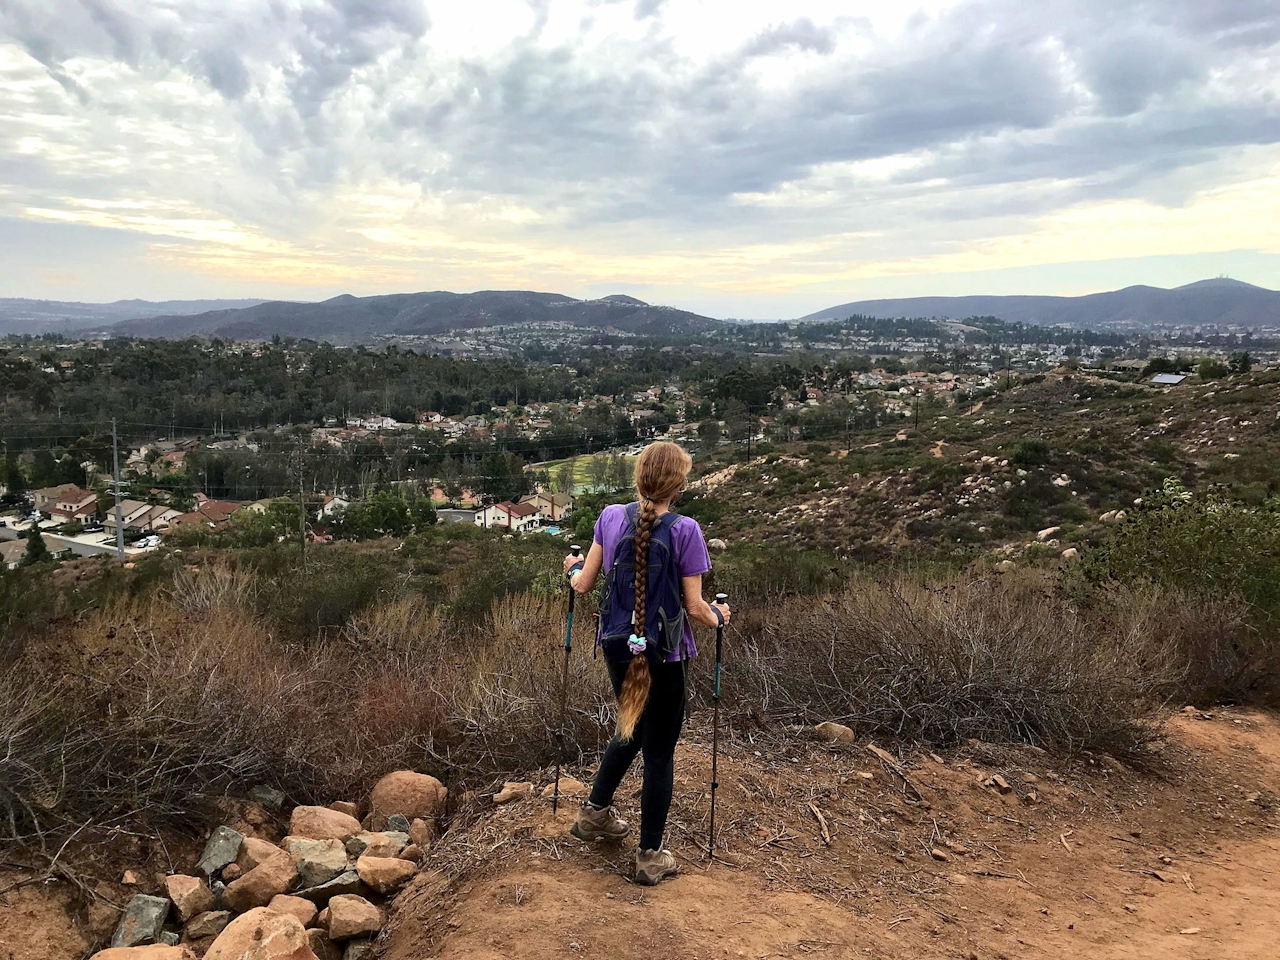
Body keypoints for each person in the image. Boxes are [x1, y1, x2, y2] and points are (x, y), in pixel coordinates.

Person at [562, 441, 730, 885]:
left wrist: (571, 568)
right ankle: (650, 855)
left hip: (618, 645)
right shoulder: (685, 529)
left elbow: (582, 585)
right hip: (664, 652)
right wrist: (720, 615)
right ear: (678, 484)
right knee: (658, 749)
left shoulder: (610, 516)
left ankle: (595, 814)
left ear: (639, 478)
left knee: (630, 724)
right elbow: (696, 610)